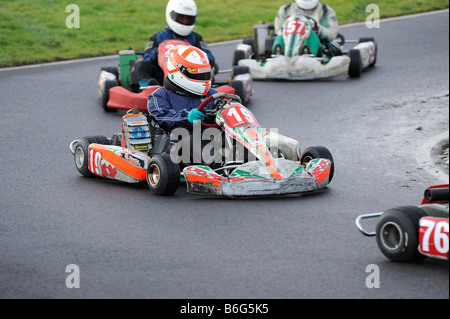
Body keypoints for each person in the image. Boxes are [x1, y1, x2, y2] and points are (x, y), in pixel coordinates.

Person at [147, 45, 219, 165]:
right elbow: (163, 118)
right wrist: (187, 118)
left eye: (205, 74)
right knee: (196, 138)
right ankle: (221, 167)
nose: (203, 79)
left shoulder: (213, 94)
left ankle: (255, 162)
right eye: (198, 75)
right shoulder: (159, 96)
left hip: (212, 138)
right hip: (178, 146)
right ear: (178, 72)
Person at [130, 0, 216, 91]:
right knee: (141, 65)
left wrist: (196, 57)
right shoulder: (158, 37)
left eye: (188, 19)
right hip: (160, 75)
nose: (185, 21)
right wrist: (157, 53)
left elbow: (210, 58)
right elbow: (147, 58)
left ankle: (198, 89)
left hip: (188, 76)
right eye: (181, 18)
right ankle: (147, 89)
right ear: (171, 15)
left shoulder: (196, 38)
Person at [274, 0, 339, 42]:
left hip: (315, 42)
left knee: (311, 36)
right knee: (279, 39)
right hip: (288, 41)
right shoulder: (286, 9)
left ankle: (307, 54)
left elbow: (332, 34)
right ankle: (277, 56)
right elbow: (278, 30)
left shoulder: (326, 11)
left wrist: (317, 28)